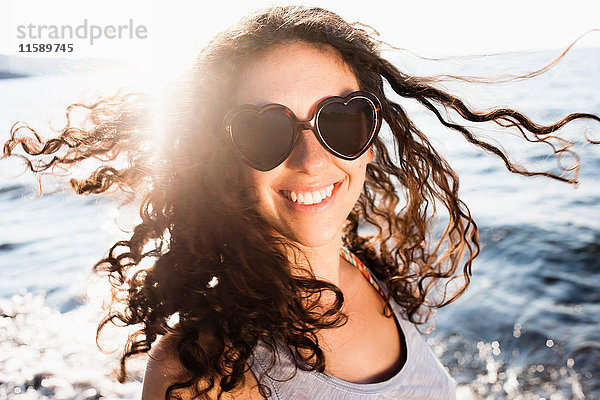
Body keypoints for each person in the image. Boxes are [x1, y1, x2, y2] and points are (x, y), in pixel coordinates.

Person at [3, 5, 598, 400]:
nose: (312, 161)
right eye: (266, 131)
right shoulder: (206, 374)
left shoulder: (363, 267)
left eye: (340, 120)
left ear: (372, 137)